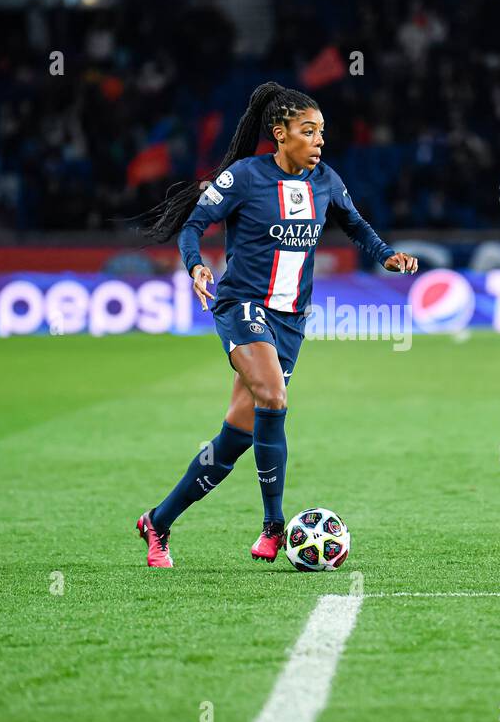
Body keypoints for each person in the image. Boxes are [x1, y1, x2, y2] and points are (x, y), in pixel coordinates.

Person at [131, 82, 418, 567]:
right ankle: (272, 526)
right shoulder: (243, 177)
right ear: (281, 134)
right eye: (309, 132)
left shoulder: (325, 180)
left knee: (234, 440)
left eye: (322, 132)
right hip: (242, 305)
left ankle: (157, 522)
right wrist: (197, 266)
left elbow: (355, 224)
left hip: (290, 321)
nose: (319, 141)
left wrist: (387, 256)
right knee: (274, 396)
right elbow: (193, 226)